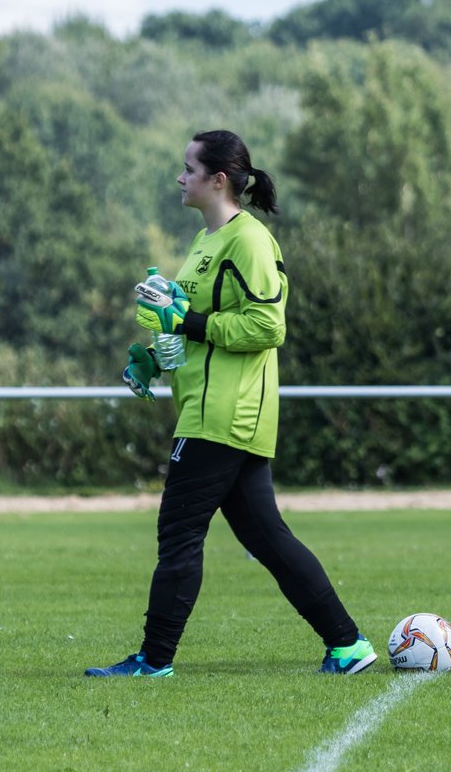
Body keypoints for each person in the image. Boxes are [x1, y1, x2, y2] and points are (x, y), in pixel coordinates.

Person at [87, 130, 377, 678]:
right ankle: (348, 645)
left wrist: (185, 322)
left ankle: (154, 660)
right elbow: (189, 329)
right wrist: (155, 356)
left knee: (178, 533)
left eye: (189, 168)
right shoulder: (204, 243)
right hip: (208, 408)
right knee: (267, 538)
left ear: (218, 179)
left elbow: (268, 325)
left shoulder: (250, 240)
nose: (180, 177)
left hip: (224, 414)